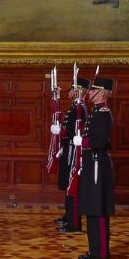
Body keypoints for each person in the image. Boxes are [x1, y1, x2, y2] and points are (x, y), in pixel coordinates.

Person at [76, 76, 115, 259]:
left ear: (101, 93)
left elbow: (99, 142)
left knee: (98, 208)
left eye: (93, 90)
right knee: (92, 207)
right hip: (92, 163)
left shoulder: (103, 113)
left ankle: (100, 253)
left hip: (98, 163)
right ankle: (94, 249)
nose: (89, 93)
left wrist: (82, 142)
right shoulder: (96, 112)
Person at [53, 77, 90, 233]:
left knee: (72, 185)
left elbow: (76, 131)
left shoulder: (80, 108)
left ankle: (74, 221)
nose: (69, 91)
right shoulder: (75, 107)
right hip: (69, 149)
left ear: (79, 90)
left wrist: (61, 132)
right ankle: (69, 216)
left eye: (72, 88)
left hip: (74, 152)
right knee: (68, 184)